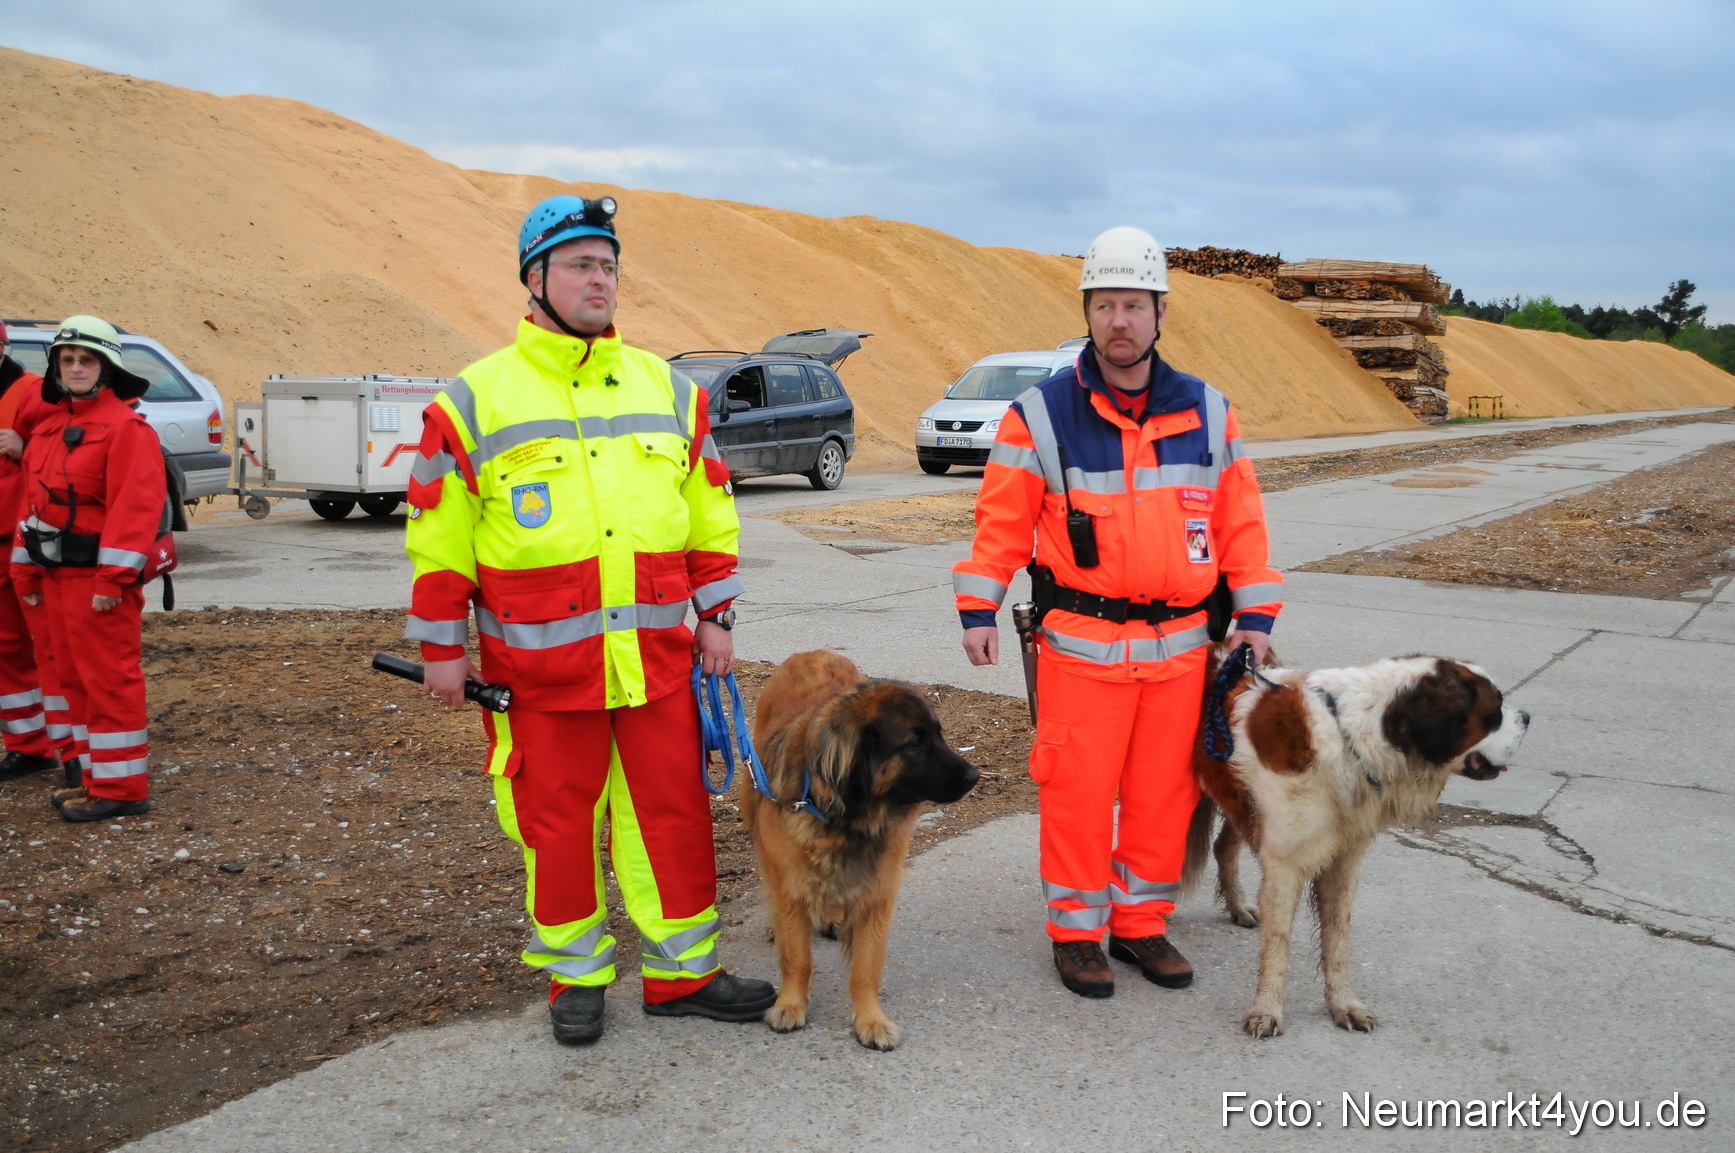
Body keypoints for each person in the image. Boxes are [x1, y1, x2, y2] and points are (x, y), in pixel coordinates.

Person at [403, 194, 775, 1046]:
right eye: (578, 264)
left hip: (655, 665)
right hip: (538, 676)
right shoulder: (472, 400)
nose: (598, 278)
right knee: (556, 826)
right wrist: (440, 650)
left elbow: (708, 515)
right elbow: (438, 539)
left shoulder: (671, 391)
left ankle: (684, 972)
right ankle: (575, 977)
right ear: (534, 279)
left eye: (606, 265)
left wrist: (716, 617)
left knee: (673, 815)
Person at [953, 227, 1284, 998]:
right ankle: (1075, 932)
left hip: (1178, 648)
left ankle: (1138, 922)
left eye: (1133, 304)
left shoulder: (1207, 409)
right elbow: (998, 523)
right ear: (1088, 313)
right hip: (1080, 645)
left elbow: (1242, 523)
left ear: (1160, 312)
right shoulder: (1038, 416)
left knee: (1164, 792)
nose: (1119, 321)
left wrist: (1255, 617)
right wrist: (978, 606)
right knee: (1074, 791)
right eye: (1104, 305)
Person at [10, 316, 165, 822]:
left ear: (108, 366)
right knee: (71, 680)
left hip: (97, 583)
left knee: (108, 680)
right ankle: (95, 780)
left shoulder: (126, 429)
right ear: (56, 367)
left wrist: (112, 582)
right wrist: (26, 575)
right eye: (67, 359)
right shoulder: (50, 428)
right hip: (55, 578)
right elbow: (30, 507)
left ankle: (122, 791)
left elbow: (134, 511)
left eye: (87, 359)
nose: (76, 368)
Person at [0, 321, 73, 784]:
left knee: (53, 649)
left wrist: (23, 448)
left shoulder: (31, 392)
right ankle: (29, 746)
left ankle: (75, 752)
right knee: (6, 649)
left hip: (30, 545)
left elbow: (70, 451)